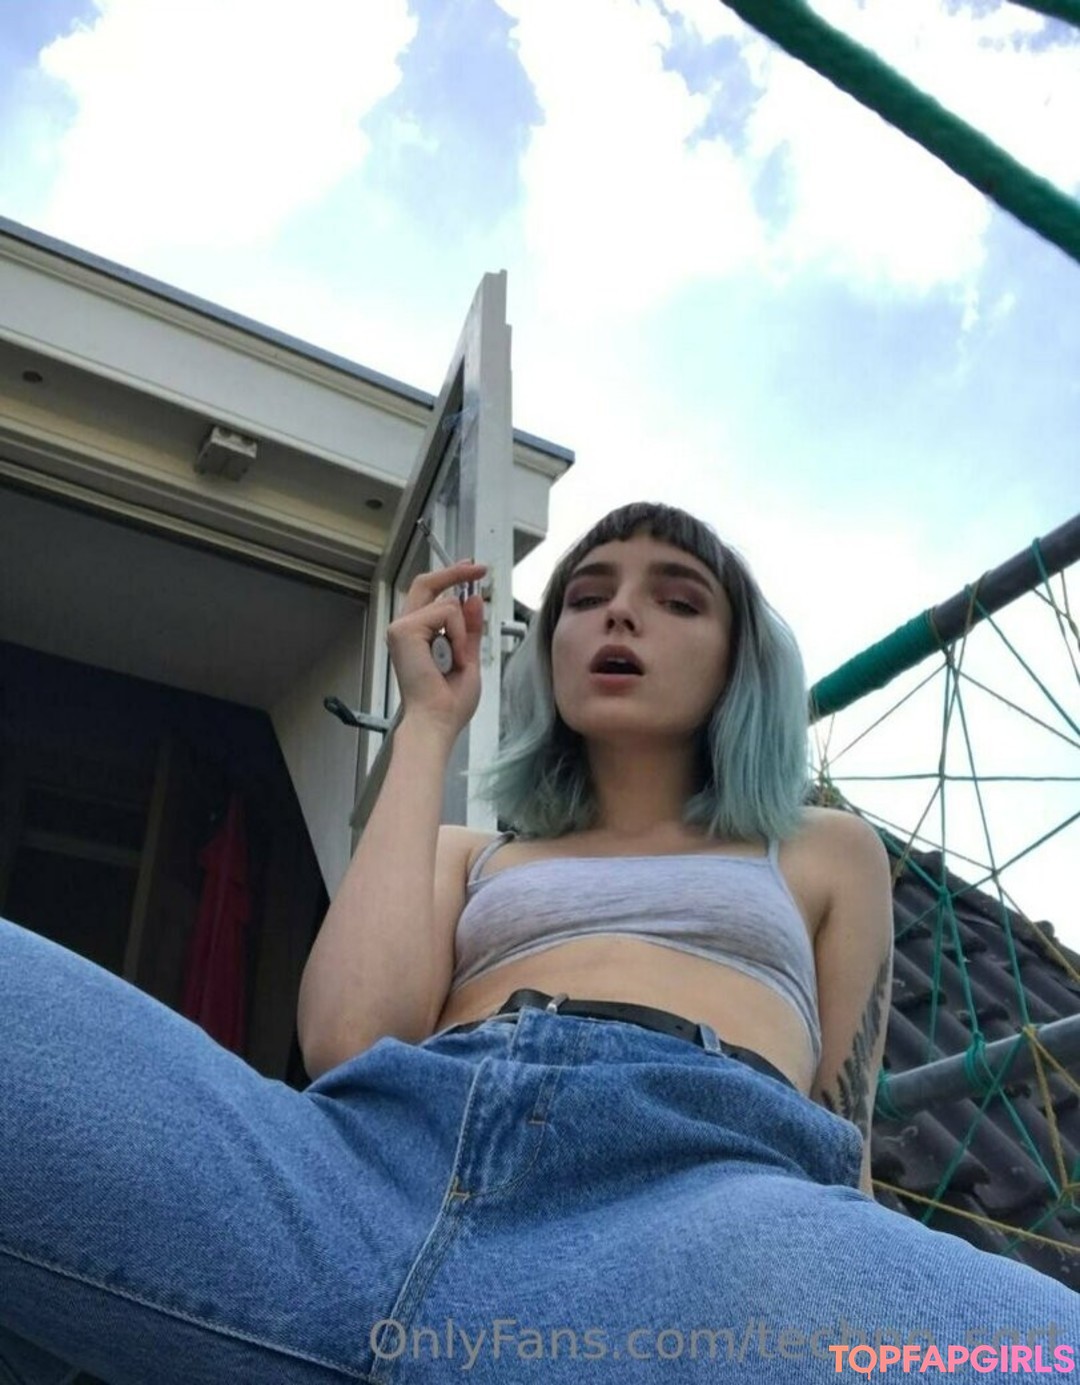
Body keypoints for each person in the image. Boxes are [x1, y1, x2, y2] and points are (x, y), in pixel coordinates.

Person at [1, 501, 1076, 1384]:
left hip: (704, 1227)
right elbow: (346, 1038)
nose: (620, 613)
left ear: (739, 663)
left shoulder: (821, 849)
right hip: (355, 1183)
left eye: (677, 598)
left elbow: (840, 1141)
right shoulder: (470, 852)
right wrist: (429, 722)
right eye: (587, 596)